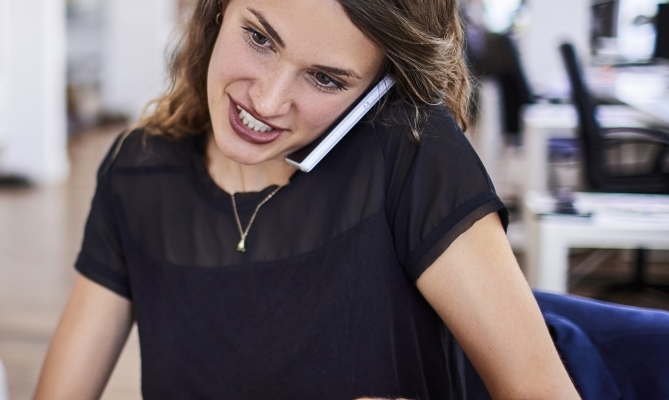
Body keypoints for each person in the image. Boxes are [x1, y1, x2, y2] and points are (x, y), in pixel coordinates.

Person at [34, 0, 579, 398]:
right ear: (217, 10)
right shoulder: (138, 172)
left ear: (379, 88)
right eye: (260, 38)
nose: (267, 101)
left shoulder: (412, 155)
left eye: (324, 79)